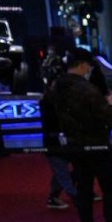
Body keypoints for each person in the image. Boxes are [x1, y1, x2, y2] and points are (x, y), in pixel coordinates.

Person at [51, 48, 112, 222]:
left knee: (84, 189)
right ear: (81, 65)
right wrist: (111, 104)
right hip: (97, 143)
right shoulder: (86, 89)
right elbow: (108, 116)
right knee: (109, 187)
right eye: (88, 65)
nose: (89, 69)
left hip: (74, 145)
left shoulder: (56, 87)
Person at [40, 80, 77, 209]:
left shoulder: (60, 101)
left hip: (65, 140)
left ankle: (54, 196)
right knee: (61, 170)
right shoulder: (48, 103)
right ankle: (75, 196)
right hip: (55, 141)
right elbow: (53, 122)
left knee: (62, 170)